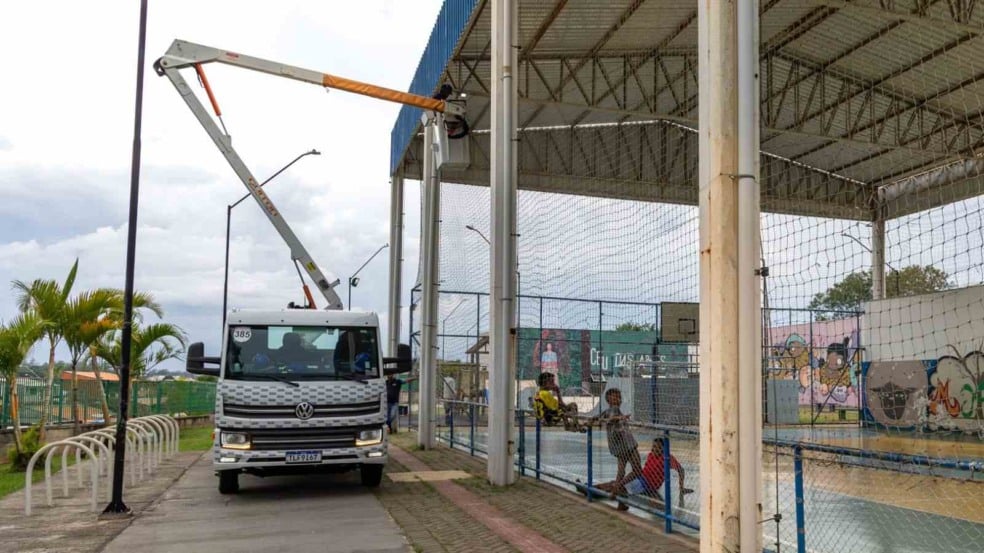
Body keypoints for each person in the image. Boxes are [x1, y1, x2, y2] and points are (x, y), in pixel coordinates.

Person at [594, 438, 690, 510]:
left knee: (619, 486)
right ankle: (591, 488)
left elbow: (681, 470)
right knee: (614, 483)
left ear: (664, 449)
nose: (655, 449)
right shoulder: (651, 455)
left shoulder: (667, 458)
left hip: (646, 484)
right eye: (654, 447)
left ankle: (593, 491)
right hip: (640, 479)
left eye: (658, 447)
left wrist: (681, 487)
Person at [595, 388, 643, 499]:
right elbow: (612, 419)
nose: (618, 399)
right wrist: (620, 417)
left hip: (619, 446)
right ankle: (617, 487)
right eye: (615, 397)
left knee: (621, 472)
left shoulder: (607, 411)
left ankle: (616, 493)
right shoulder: (614, 410)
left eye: (619, 396)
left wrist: (593, 420)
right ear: (609, 400)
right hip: (627, 445)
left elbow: (599, 417)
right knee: (637, 470)